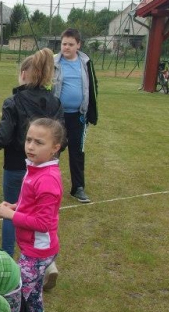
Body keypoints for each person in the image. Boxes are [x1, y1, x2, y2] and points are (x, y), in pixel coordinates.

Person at [0, 118, 65, 312]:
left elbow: (44, 223)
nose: (31, 146)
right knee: (33, 296)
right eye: (28, 140)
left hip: (37, 252)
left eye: (39, 142)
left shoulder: (47, 179)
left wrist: (12, 217)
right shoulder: (36, 169)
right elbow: (32, 205)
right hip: (34, 250)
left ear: (55, 147)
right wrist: (16, 206)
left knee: (19, 301)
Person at [0, 48, 63, 259]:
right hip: (45, 169)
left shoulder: (14, 101)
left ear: (23, 74)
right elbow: (62, 140)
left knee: (11, 212)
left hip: (16, 167)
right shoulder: (55, 102)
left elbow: (2, 137)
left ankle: (7, 259)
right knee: (37, 211)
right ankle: (41, 260)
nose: (32, 145)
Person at [52, 28, 98, 204]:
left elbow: (93, 87)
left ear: (78, 45)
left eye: (71, 44)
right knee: (54, 151)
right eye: (64, 44)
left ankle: (78, 188)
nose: (66, 47)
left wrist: (91, 112)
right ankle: (50, 186)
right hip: (57, 117)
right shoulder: (53, 62)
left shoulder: (85, 62)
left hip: (78, 116)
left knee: (77, 152)